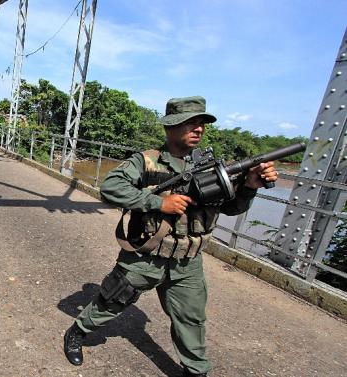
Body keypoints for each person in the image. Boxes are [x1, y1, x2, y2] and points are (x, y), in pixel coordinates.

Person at [62, 96, 278, 376]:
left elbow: (231, 207)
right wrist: (158, 203)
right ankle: (77, 332)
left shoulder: (212, 168)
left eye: (201, 124)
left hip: (188, 262)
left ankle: (196, 370)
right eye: (191, 123)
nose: (198, 129)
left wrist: (249, 186)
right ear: (170, 127)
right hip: (147, 255)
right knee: (113, 299)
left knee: (191, 318)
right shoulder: (147, 161)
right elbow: (110, 188)